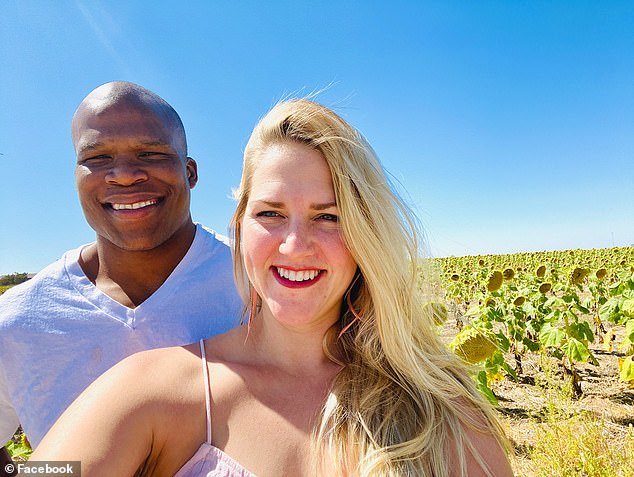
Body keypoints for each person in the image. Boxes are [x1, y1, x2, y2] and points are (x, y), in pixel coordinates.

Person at [31, 99, 514, 476]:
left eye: (328, 217)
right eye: (271, 214)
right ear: (241, 226)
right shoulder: (157, 389)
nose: (295, 244)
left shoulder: (439, 408)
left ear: (367, 234)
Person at [0, 82, 242, 469]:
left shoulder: (258, 287)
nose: (125, 175)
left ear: (190, 172)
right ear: (76, 175)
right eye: (96, 157)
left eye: (151, 153)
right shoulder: (16, 321)